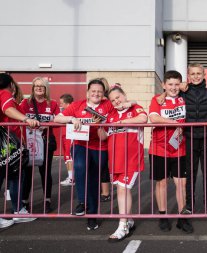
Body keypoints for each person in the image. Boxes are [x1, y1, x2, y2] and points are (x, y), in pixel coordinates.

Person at [54, 78, 114, 230]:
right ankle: (82, 201)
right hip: (81, 145)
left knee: (94, 181)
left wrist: (99, 125)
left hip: (100, 147)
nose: (96, 93)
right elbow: (57, 118)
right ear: (87, 92)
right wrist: (71, 118)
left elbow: (104, 135)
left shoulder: (108, 105)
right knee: (80, 166)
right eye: (93, 91)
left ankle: (92, 216)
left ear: (103, 93)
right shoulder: (77, 105)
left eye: (99, 91)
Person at [98, 85, 147, 242]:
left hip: (131, 160)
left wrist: (123, 120)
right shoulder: (110, 114)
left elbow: (143, 118)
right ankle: (129, 219)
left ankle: (122, 225)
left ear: (124, 96)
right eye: (112, 100)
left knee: (122, 190)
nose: (116, 101)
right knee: (123, 191)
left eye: (118, 97)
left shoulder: (135, 108)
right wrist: (98, 125)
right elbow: (103, 137)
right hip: (115, 160)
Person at [148, 70, 191, 233]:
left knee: (181, 183)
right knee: (162, 183)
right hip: (159, 149)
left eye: (176, 84)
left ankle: (182, 217)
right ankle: (163, 216)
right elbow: (154, 118)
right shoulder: (157, 100)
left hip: (180, 149)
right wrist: (174, 122)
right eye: (170, 84)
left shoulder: (184, 98)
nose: (173, 88)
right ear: (164, 85)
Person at [0, 73, 39, 228]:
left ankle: (18, 210)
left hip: (8, 146)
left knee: (14, 176)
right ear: (11, 84)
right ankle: (18, 211)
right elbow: (8, 109)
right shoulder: (5, 93)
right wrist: (25, 119)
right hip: (7, 146)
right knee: (15, 176)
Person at [180, 63, 207, 217]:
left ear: (204, 75)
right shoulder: (183, 91)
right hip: (189, 137)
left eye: (198, 73)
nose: (196, 76)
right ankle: (189, 205)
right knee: (190, 173)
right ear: (188, 76)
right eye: (192, 74)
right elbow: (167, 94)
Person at [20, 77, 60, 213]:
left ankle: (47, 200)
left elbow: (59, 120)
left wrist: (47, 126)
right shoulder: (26, 103)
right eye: (36, 86)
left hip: (45, 142)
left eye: (42, 86)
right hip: (29, 142)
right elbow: (17, 118)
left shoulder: (53, 104)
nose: (38, 88)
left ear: (46, 89)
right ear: (32, 88)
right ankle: (24, 201)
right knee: (28, 172)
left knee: (46, 172)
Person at [59, 94, 75, 186]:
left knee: (69, 157)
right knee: (67, 156)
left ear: (67, 103)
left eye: (62, 103)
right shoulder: (66, 111)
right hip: (66, 135)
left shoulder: (71, 110)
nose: (60, 105)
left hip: (70, 136)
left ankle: (71, 179)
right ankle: (71, 176)